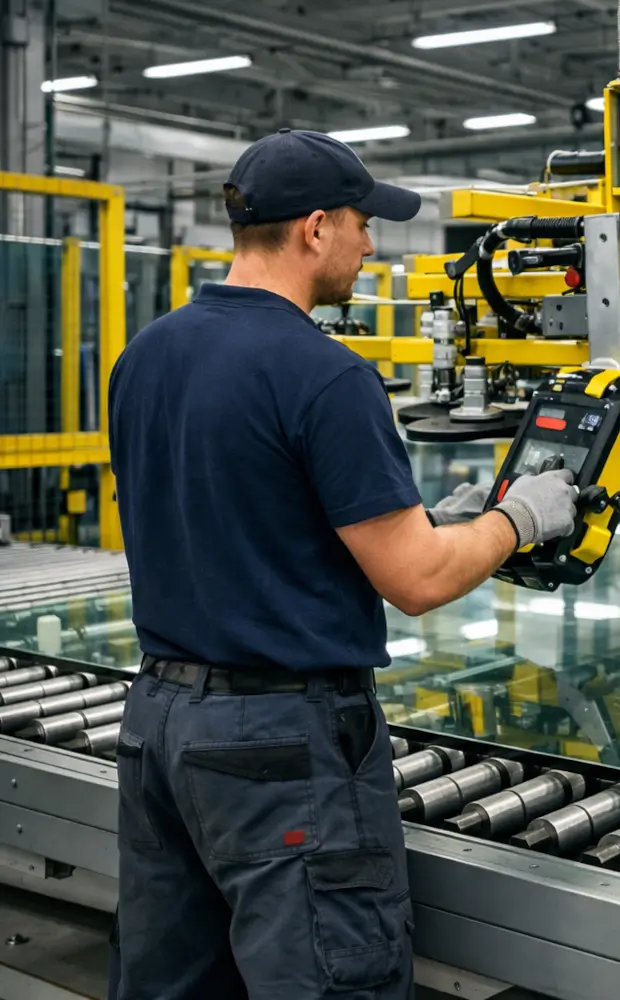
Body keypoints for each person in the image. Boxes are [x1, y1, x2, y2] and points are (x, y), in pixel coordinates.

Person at [105, 129, 579, 1000]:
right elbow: (418, 581)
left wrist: (429, 521)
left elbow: (245, 517)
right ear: (315, 229)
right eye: (362, 224)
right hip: (280, 747)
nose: (371, 245)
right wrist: (519, 520)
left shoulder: (146, 356)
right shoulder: (327, 376)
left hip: (160, 726)